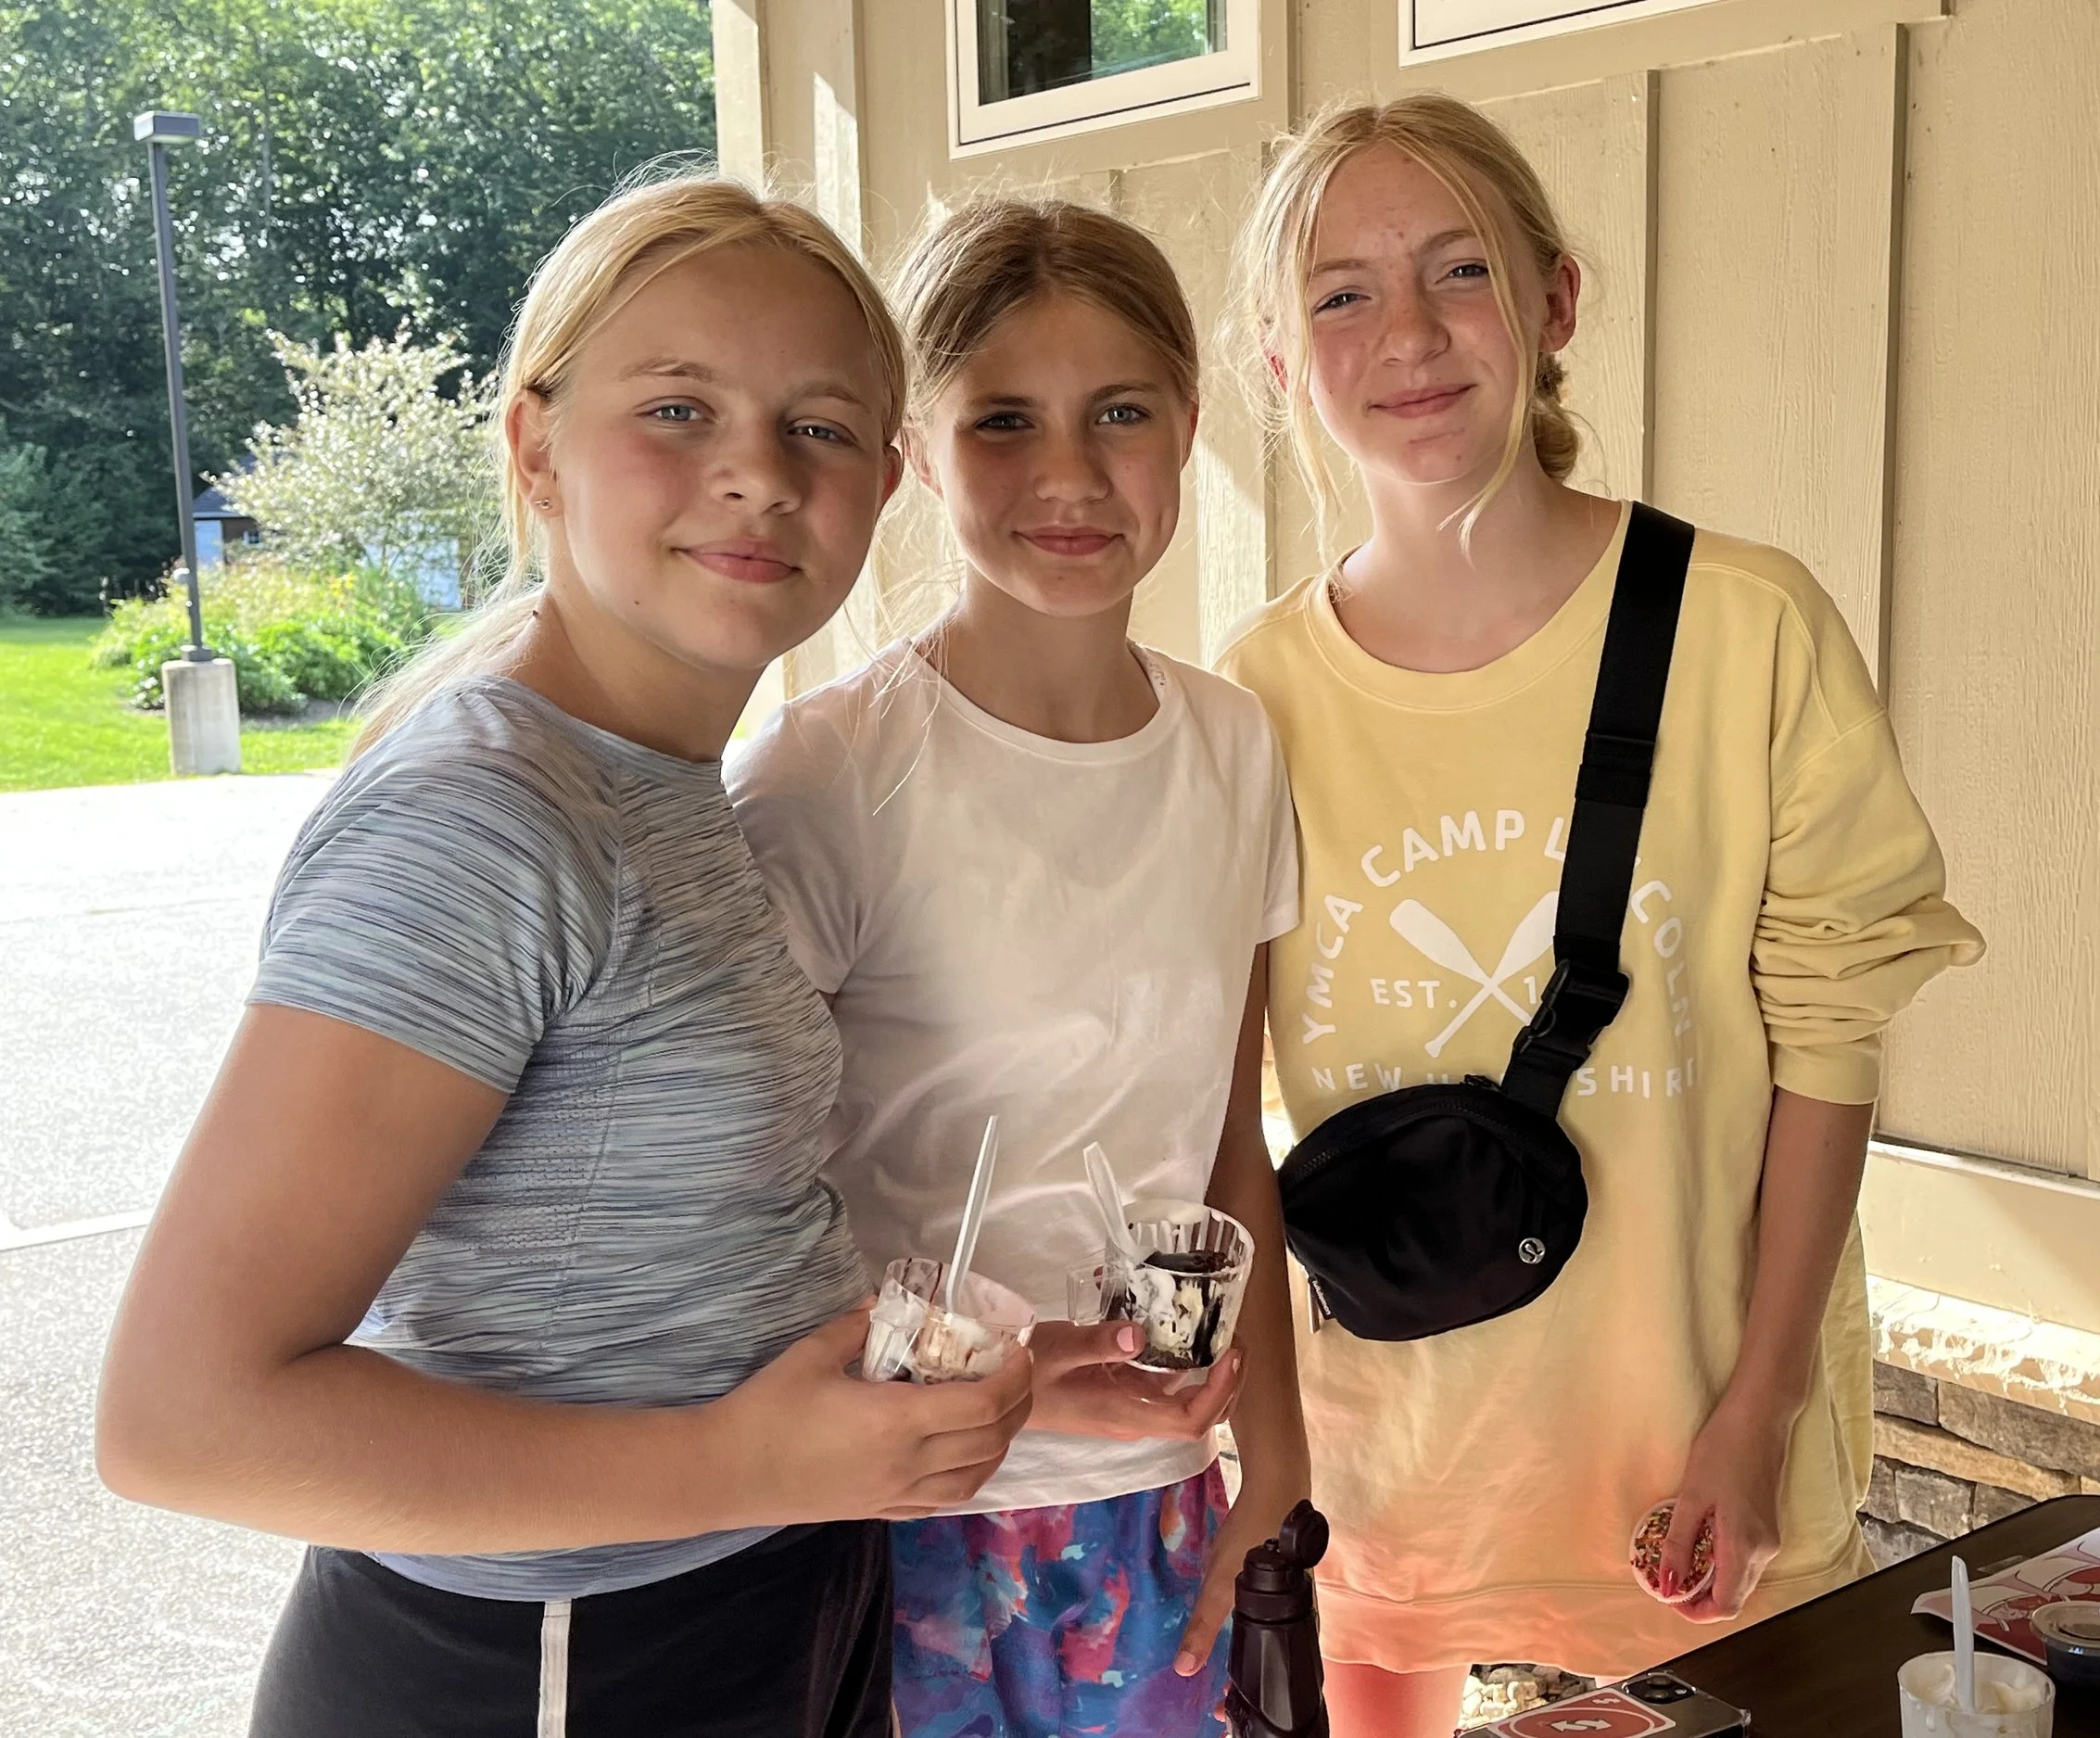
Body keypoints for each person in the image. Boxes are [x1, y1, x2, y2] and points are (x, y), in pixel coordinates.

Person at [95, 174, 1033, 1738]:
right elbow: (185, 1418)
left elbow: (632, 1232)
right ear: (533, 446)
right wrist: (763, 1458)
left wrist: (904, 1404)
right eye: (678, 405)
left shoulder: (656, 779)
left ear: (883, 482)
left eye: (816, 428)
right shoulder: (486, 816)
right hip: (554, 1659)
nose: (754, 475)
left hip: (751, 1600)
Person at [1217, 93, 1984, 1736]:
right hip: (1396, 1461)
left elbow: (1827, 1042)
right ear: (1282, 365)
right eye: (1338, 294)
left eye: (1458, 271)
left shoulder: (1746, 628)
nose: (1407, 334)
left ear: (1555, 303)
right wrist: (1264, 1457)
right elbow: (1217, 1105)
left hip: (1697, 1448)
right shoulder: (1249, 700)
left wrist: (1757, 1412)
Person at [728, 197, 1309, 1738]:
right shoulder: (831, 770)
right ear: (916, 444)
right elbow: (726, 1193)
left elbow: (1226, 1136)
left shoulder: (1236, 749)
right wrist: (995, 1377)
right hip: (900, 1507)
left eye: (1118, 411)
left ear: (1188, 426)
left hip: (1161, 1505)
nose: (1069, 472)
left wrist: (1280, 1460)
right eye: (1003, 419)